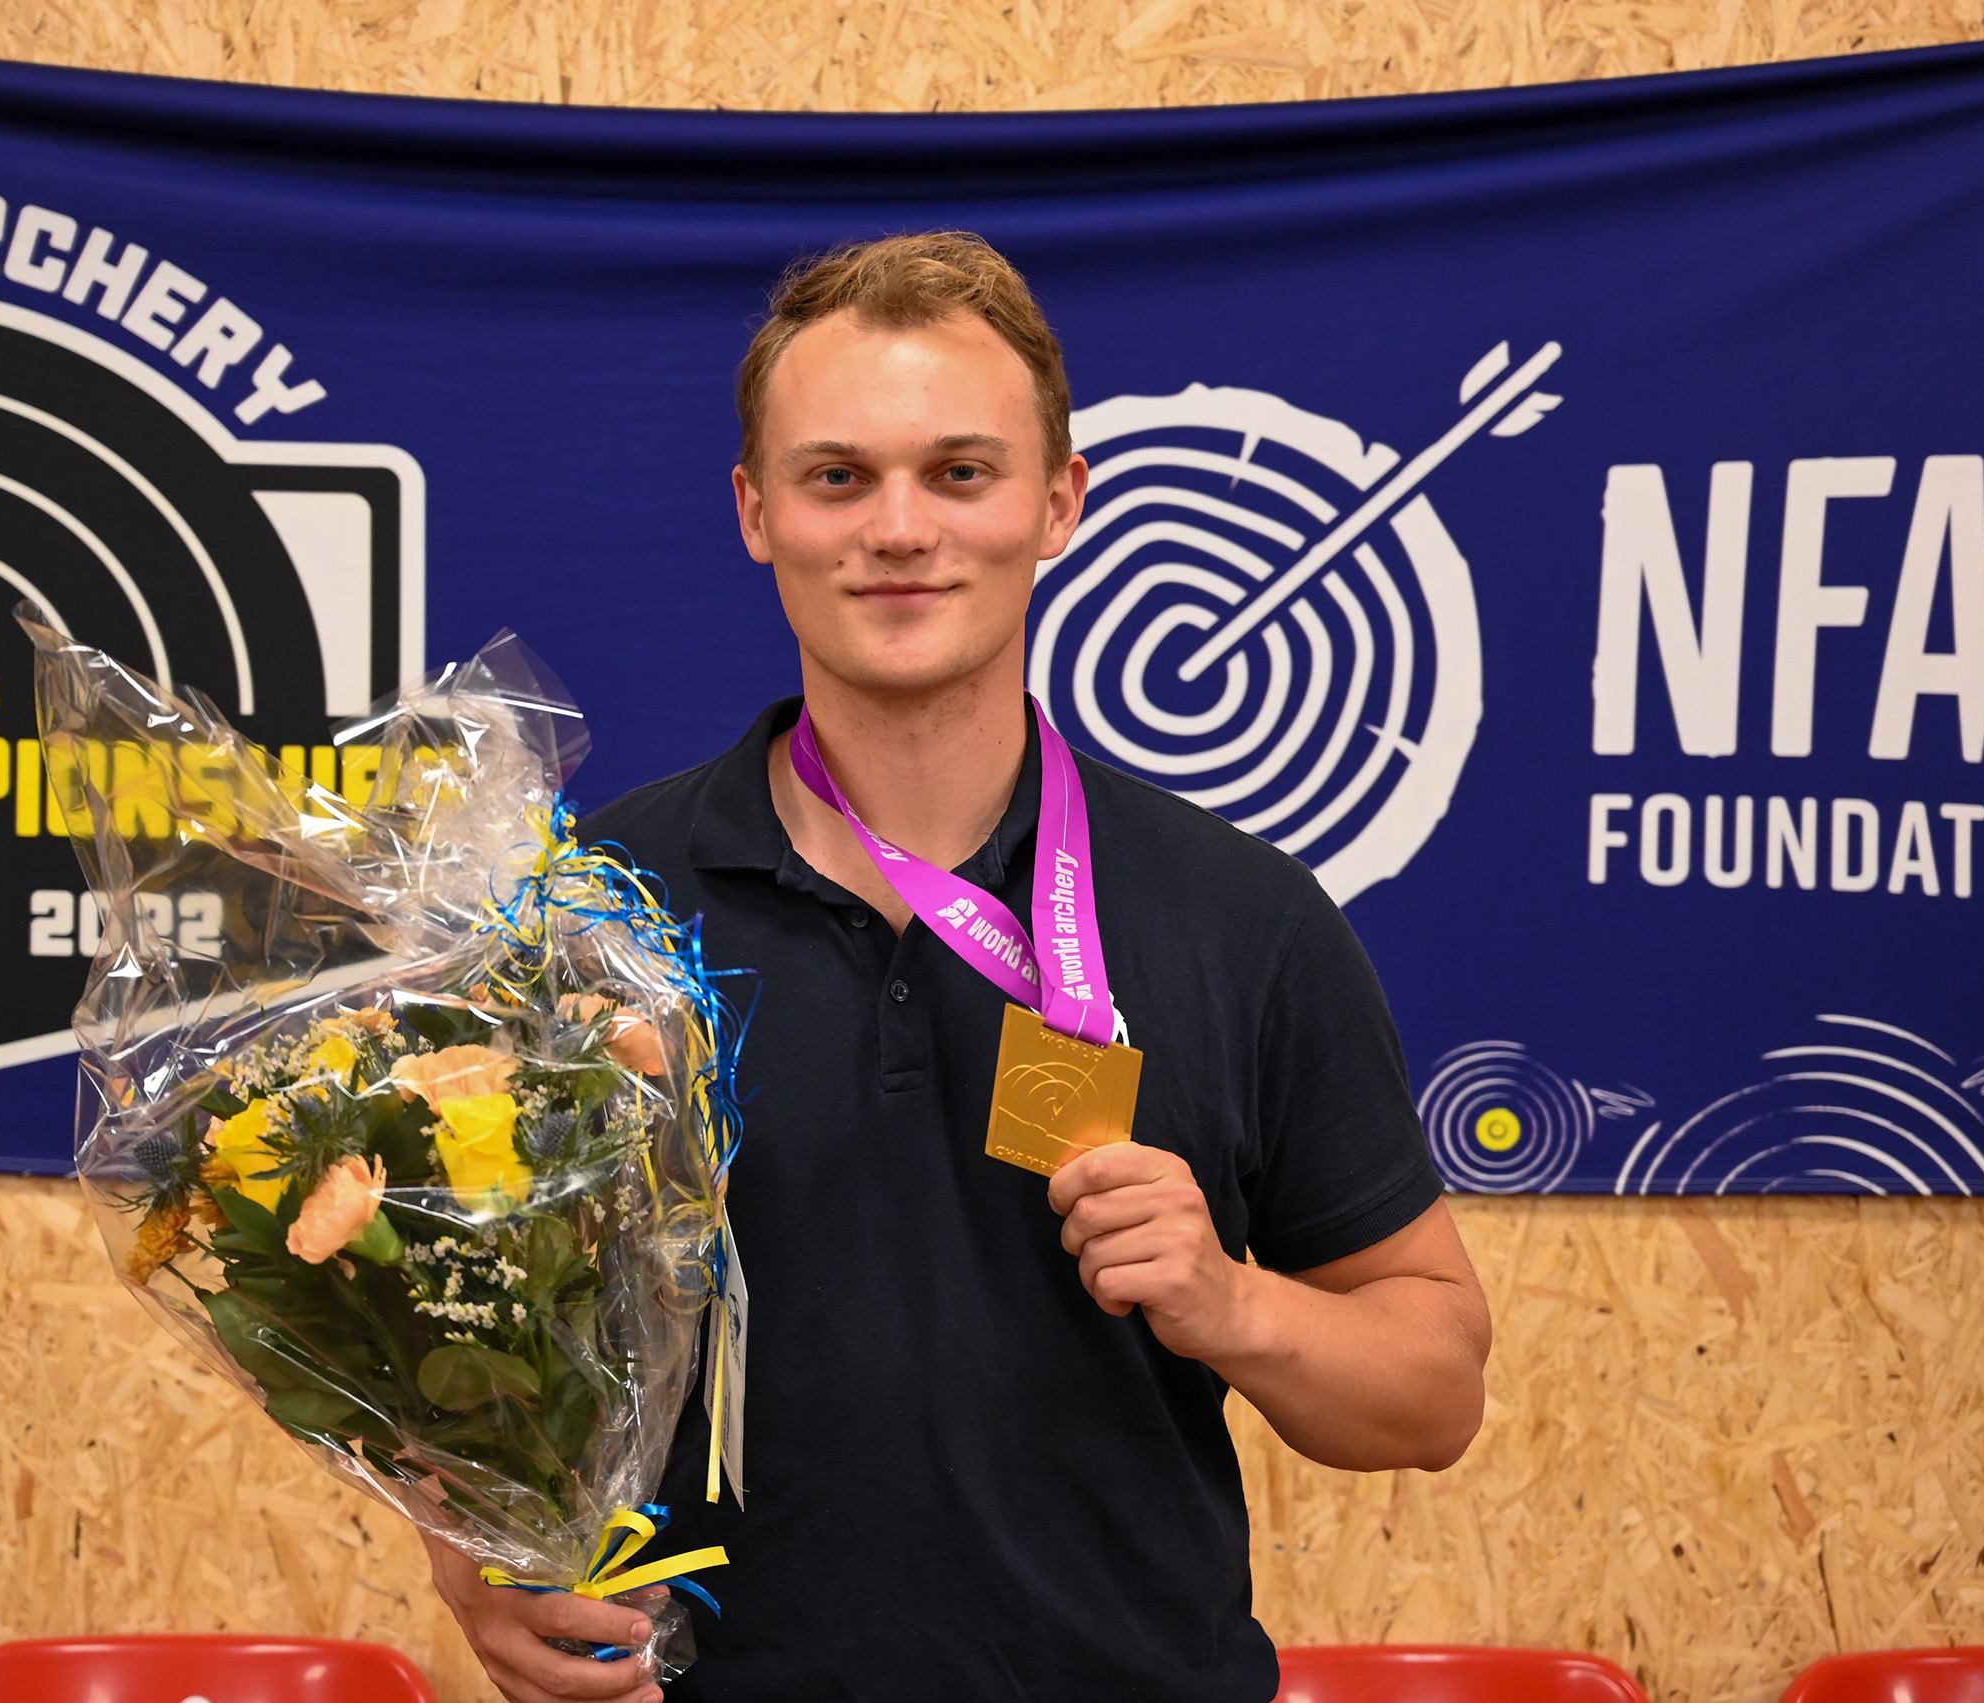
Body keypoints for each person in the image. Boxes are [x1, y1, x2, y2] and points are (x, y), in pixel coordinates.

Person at [424, 231, 1492, 1703]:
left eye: (961, 473)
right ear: (756, 511)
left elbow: (1434, 1392)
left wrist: (1231, 1303)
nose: (899, 529)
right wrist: (470, 1556)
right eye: (838, 476)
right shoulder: (591, 910)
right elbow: (453, 1321)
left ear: (1059, 504)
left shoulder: (1244, 916)